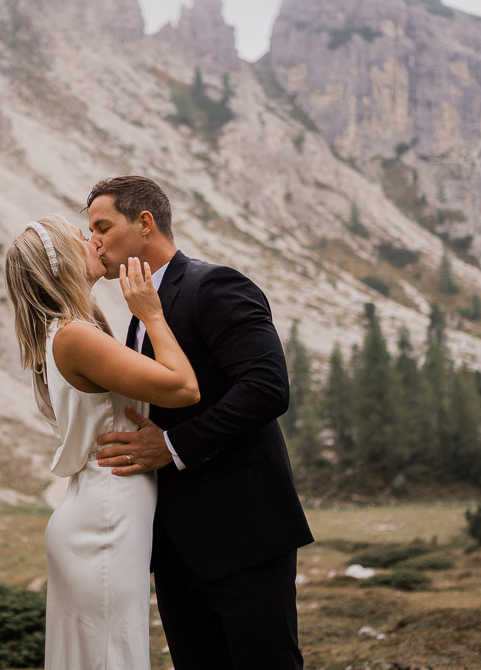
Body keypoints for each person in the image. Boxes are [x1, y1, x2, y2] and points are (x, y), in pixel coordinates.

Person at [88, 176, 314, 670]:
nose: (94, 241)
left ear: (145, 223)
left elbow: (266, 389)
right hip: (175, 548)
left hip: (244, 531)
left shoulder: (214, 285)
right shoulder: (137, 312)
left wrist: (170, 447)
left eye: (103, 226)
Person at [4, 214, 201, 670]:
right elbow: (183, 387)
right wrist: (151, 313)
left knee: (108, 652)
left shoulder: (69, 328)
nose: (92, 240)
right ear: (60, 263)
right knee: (111, 656)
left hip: (103, 508)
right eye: (79, 236)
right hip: (105, 518)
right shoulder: (74, 336)